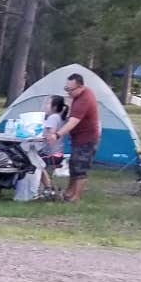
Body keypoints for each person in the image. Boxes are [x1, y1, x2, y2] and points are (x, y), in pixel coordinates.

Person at [55, 72, 101, 203]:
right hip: (78, 138)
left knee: (80, 167)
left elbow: (73, 122)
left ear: (80, 86)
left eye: (70, 89)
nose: (68, 92)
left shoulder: (85, 99)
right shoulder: (79, 95)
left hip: (87, 139)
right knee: (73, 164)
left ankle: (76, 197)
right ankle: (69, 192)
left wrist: (57, 134)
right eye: (66, 88)